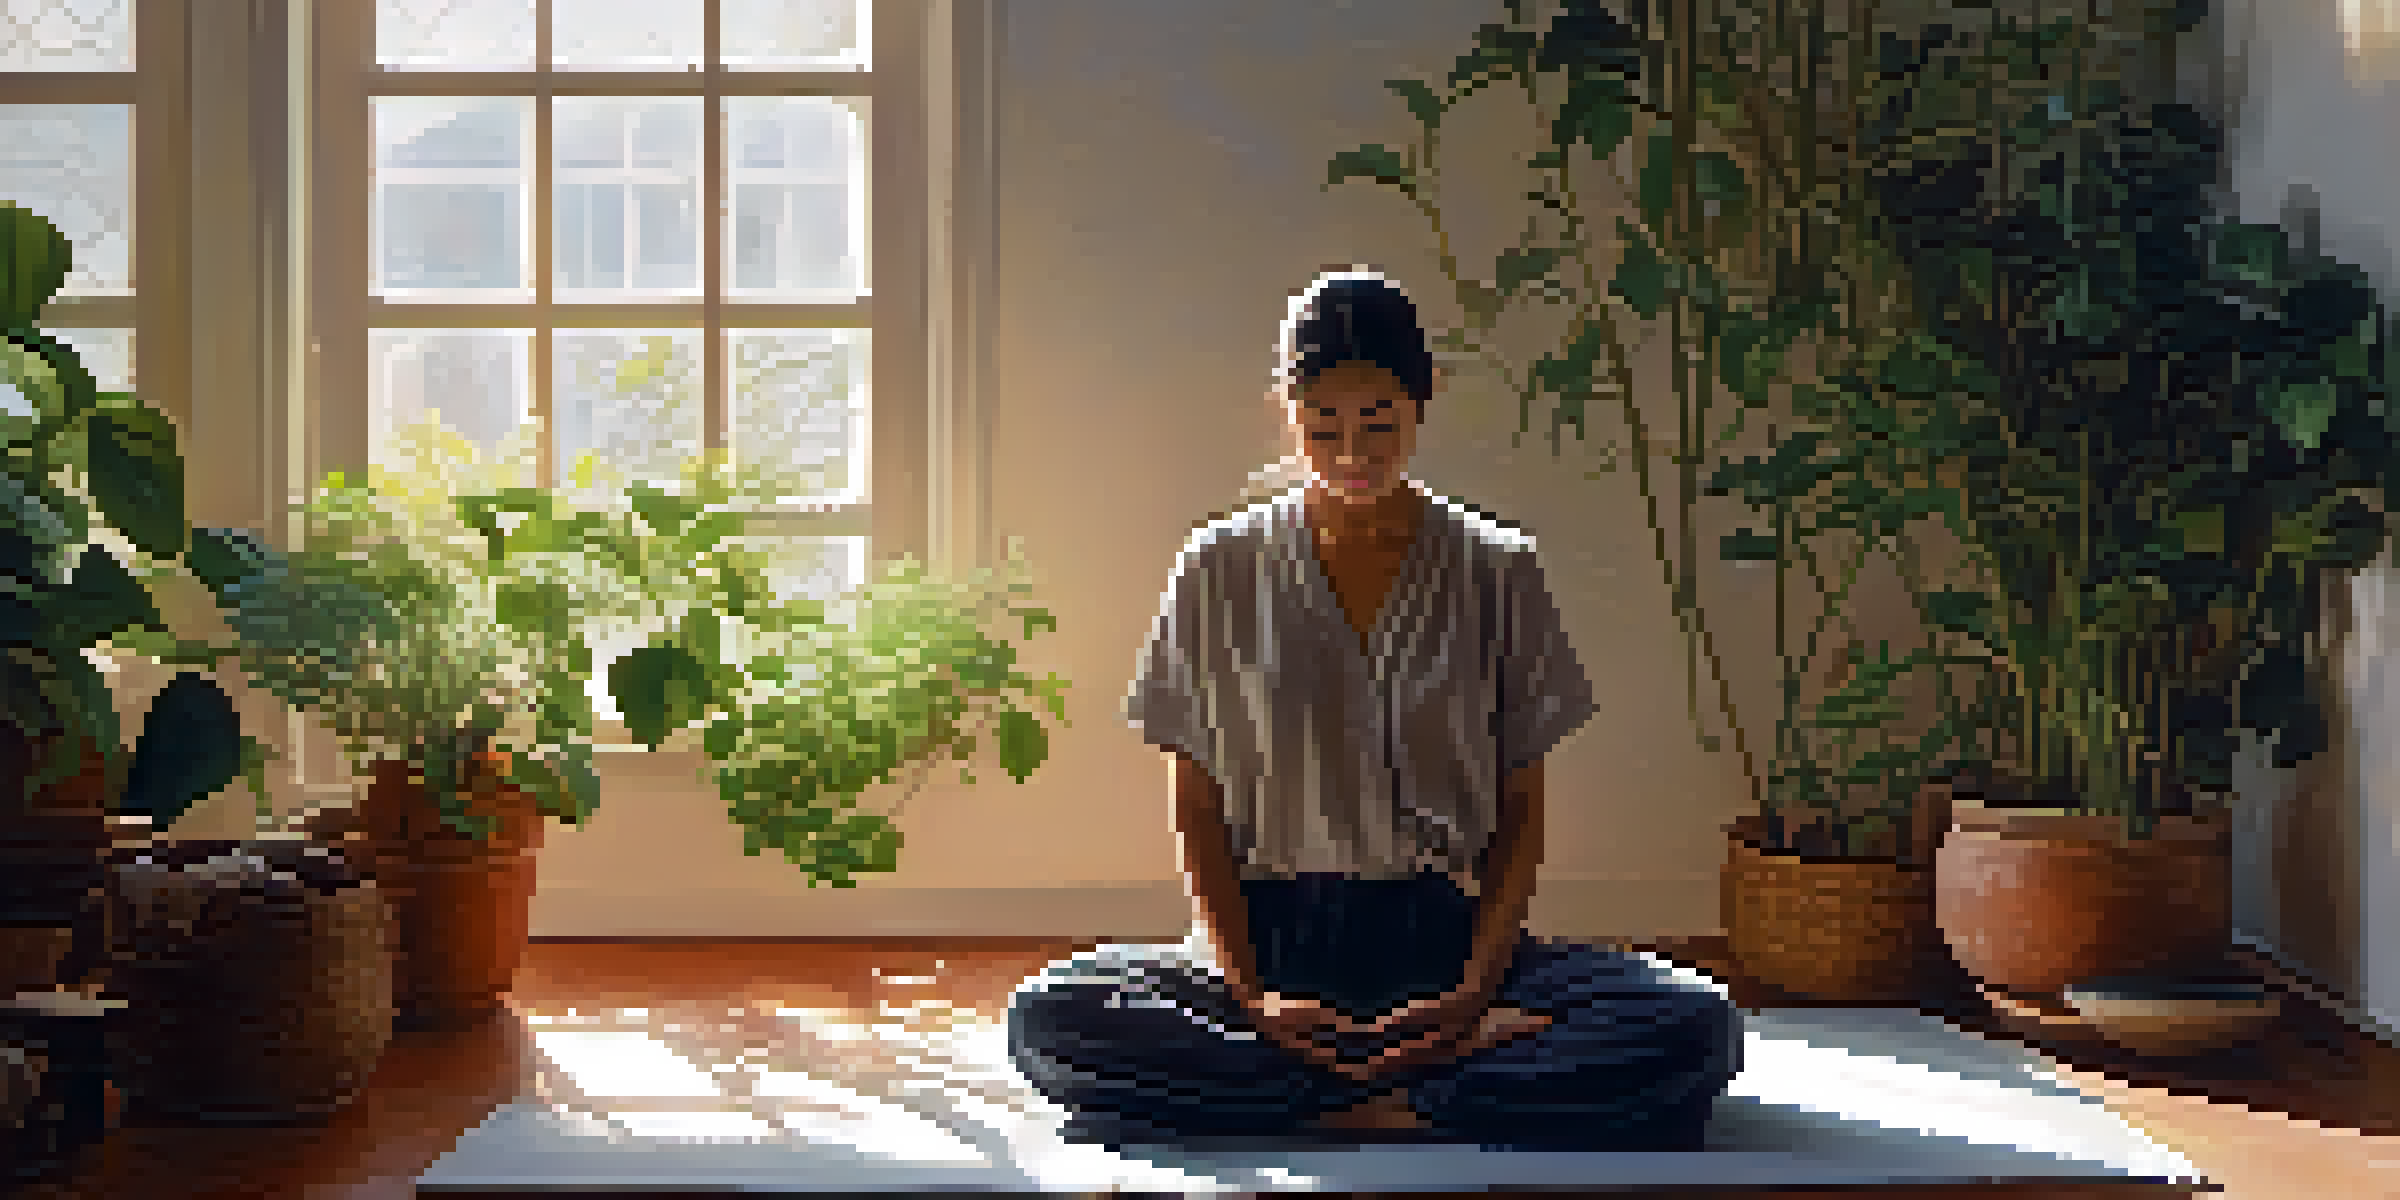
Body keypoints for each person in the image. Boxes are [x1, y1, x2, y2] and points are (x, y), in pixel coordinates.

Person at [1005, 268, 1744, 1151]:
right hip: (1275, 938)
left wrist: (1474, 996)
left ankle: (1329, 1096)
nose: (1353, 454)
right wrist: (1249, 997)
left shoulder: (1495, 570)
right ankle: (1420, 1096)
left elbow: (1520, 811)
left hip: (1443, 941)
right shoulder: (1218, 570)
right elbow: (1196, 807)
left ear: (1421, 403)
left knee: (1696, 1026)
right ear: (1287, 412)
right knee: (1051, 1017)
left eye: (1379, 425)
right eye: (1324, 428)